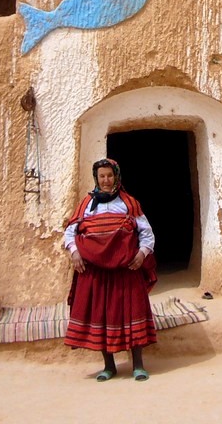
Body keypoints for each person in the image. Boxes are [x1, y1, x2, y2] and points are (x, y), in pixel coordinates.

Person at [63, 157, 157, 380]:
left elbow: (147, 233)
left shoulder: (129, 203)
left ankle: (138, 365)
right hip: (96, 271)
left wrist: (141, 254)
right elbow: (70, 232)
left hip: (126, 269)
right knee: (102, 317)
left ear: (116, 177)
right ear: (96, 178)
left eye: (109, 176)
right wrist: (75, 253)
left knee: (131, 313)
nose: (106, 180)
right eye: (101, 176)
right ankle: (109, 366)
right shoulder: (86, 204)